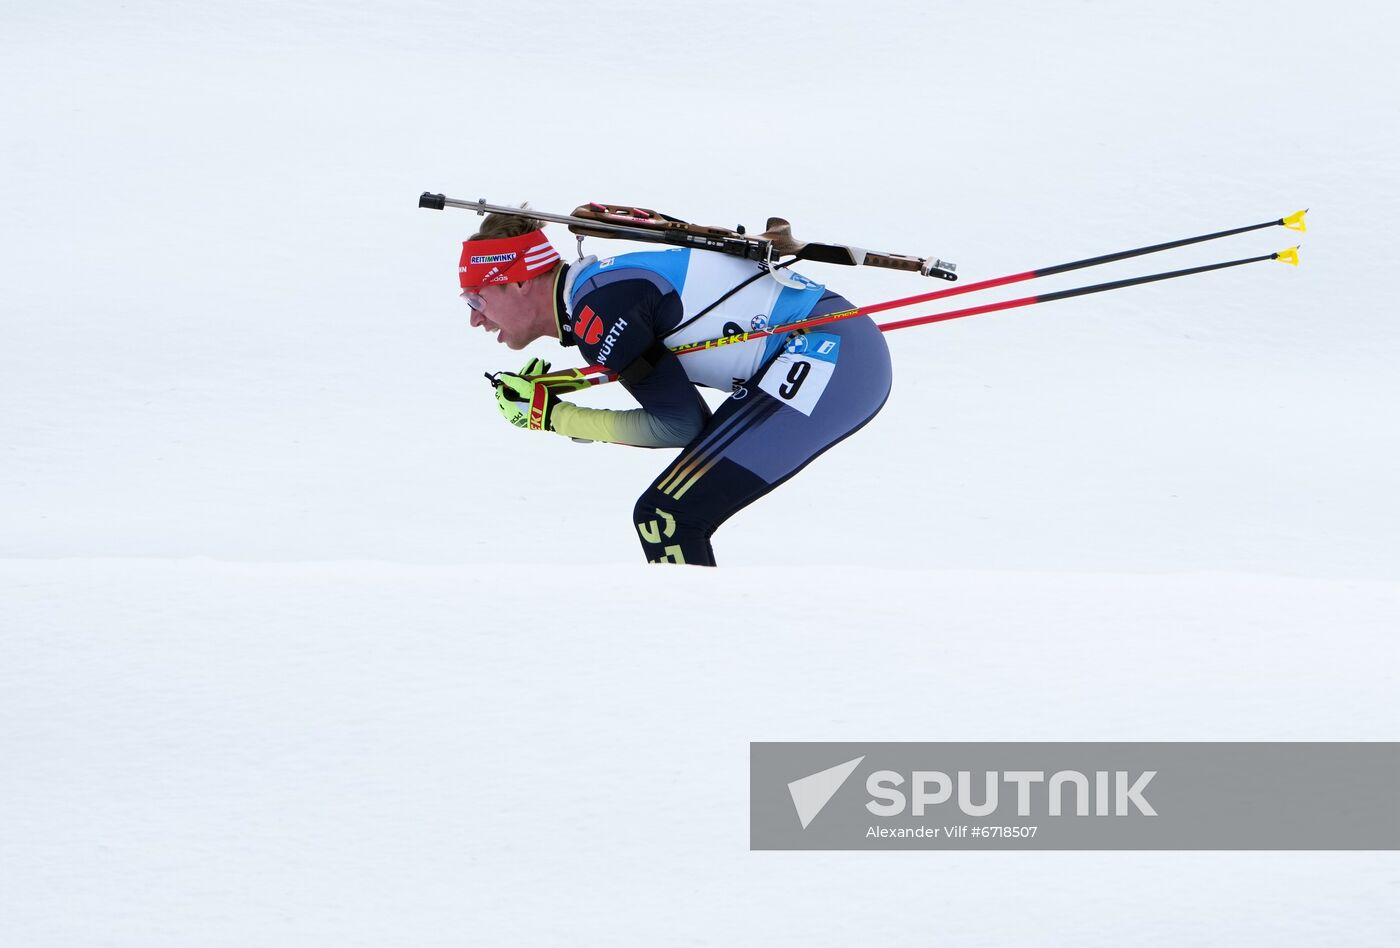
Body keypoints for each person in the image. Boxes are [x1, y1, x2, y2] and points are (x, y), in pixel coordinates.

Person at [458, 208, 892, 566]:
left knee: (667, 516)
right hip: (839, 347)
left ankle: (695, 649)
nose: (475, 318)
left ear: (517, 281)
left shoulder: (599, 310)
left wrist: (554, 418)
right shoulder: (599, 294)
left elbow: (678, 426)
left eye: (477, 298)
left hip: (829, 353)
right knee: (667, 513)